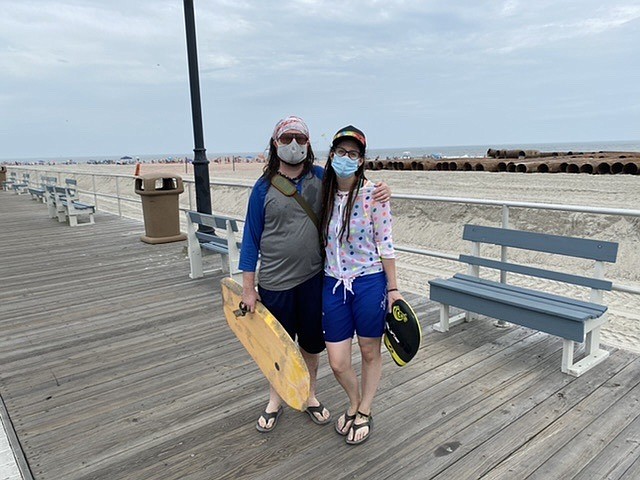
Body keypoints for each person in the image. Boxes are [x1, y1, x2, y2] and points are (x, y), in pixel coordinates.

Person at [239, 116, 390, 433]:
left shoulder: (321, 178)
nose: (293, 144)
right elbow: (250, 241)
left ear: (308, 145)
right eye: (287, 138)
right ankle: (275, 399)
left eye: (300, 138)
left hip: (313, 280)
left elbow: (354, 187)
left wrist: (382, 190)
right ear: (276, 143)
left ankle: (309, 395)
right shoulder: (262, 188)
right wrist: (248, 288)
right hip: (275, 283)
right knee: (277, 346)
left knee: (310, 345)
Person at [320, 125, 402, 445]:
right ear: (331, 154)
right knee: (338, 361)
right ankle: (354, 401)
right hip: (332, 283)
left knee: (370, 351)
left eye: (353, 154)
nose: (346, 158)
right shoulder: (322, 191)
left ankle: (364, 409)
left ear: (362, 160)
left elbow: (386, 244)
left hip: (369, 281)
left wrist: (393, 289)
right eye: (341, 152)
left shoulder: (374, 195)